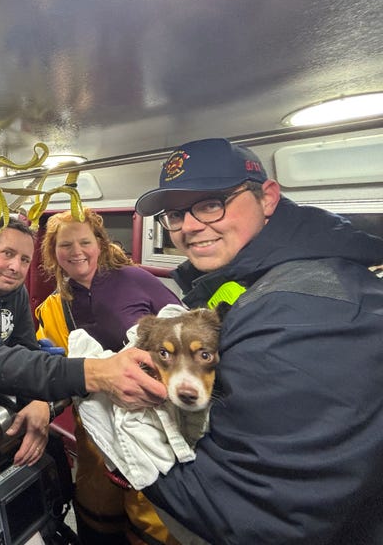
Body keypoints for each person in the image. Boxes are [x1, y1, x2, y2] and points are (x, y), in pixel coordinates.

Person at [132, 138, 383, 544]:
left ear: (267, 198)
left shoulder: (301, 312)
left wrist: (127, 455)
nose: (191, 226)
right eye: (175, 214)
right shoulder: (250, 280)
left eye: (211, 203)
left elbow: (255, 513)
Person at [0, 220, 168, 468]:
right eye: (7, 254)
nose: (16, 267)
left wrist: (37, 401)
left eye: (25, 260)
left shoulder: (15, 294)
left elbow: (26, 349)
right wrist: (96, 373)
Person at [35, 208, 183, 545]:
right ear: (53, 252)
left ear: (100, 243)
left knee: (151, 517)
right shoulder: (59, 301)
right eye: (65, 245)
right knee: (95, 509)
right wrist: (51, 357)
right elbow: (55, 355)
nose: (76, 252)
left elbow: (183, 332)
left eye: (85, 241)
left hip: (147, 419)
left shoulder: (136, 279)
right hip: (94, 426)